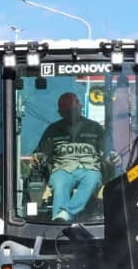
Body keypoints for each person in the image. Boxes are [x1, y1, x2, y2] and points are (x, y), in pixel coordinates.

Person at [31, 91, 105, 223]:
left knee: (91, 179)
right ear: (60, 113)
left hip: (89, 168)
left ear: (80, 108)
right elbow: (41, 153)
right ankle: (59, 220)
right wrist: (38, 157)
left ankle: (64, 214)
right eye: (67, 111)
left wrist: (112, 158)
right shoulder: (52, 131)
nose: (71, 114)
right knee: (60, 184)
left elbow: (107, 152)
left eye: (74, 110)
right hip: (62, 169)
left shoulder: (95, 128)